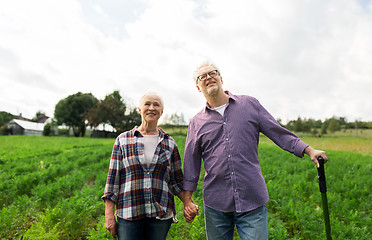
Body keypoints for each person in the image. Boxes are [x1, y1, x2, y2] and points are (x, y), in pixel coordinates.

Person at [182, 60, 328, 240]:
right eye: (202, 77)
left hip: (251, 198)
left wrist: (308, 150)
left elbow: (278, 132)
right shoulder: (197, 122)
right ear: (198, 87)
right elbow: (191, 161)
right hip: (216, 203)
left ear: (220, 78)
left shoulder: (249, 105)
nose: (208, 77)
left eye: (212, 73)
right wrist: (187, 198)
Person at [102, 92, 198, 240]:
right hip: (129, 212)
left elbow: (176, 181)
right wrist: (109, 216)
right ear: (139, 109)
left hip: (160, 214)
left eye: (156, 105)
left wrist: (188, 203)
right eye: (147, 104)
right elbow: (112, 180)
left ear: (161, 112)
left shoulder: (169, 143)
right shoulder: (123, 140)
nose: (151, 108)